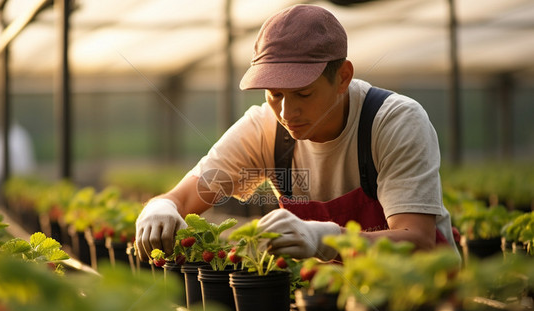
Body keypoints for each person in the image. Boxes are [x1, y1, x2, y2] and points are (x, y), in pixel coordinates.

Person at [135, 4, 458, 263]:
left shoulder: (393, 122)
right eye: (274, 94)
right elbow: (183, 198)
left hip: (419, 303)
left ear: (343, 77)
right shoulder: (263, 129)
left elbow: (417, 240)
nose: (287, 113)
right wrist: (160, 208)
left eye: (303, 94)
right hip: (326, 298)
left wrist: (326, 239)